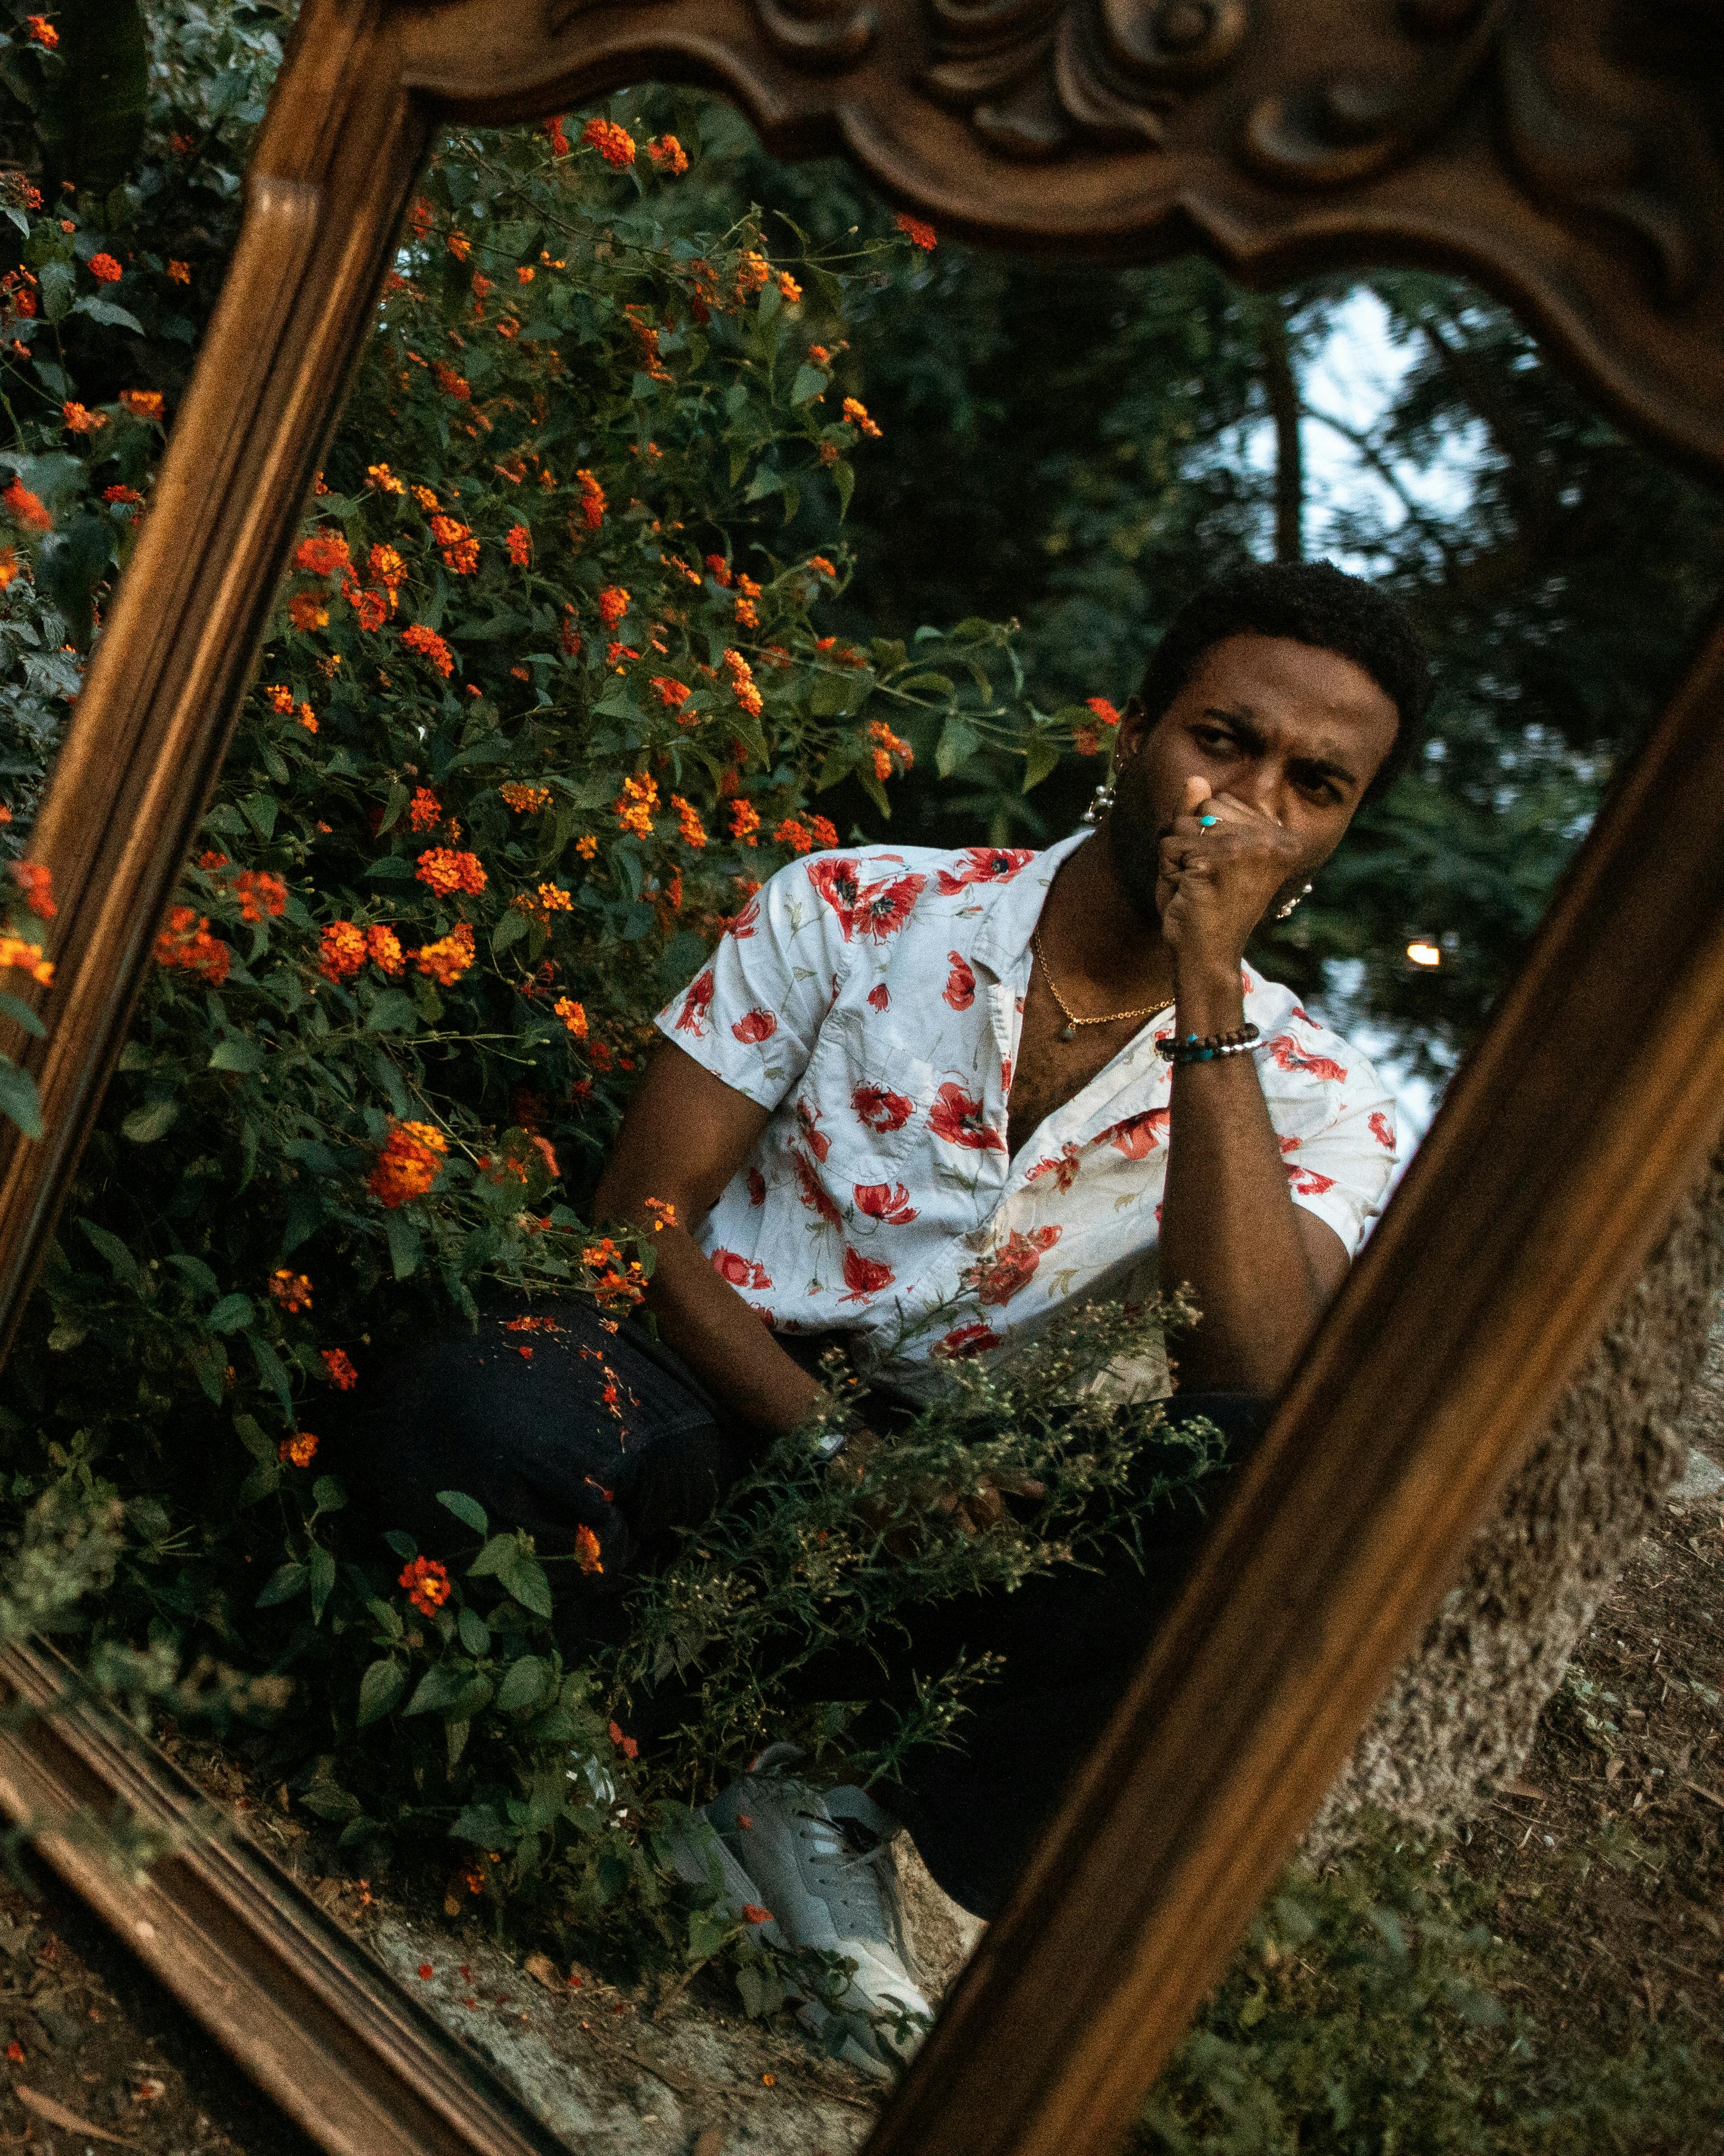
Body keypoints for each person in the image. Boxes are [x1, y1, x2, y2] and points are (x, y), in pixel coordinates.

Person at [345, 562, 1426, 2074]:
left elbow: (1249, 1369)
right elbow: (634, 1228)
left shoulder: (1307, 1091)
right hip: (709, 1403)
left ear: (1344, 829)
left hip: (958, 1535)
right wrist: (835, 1454)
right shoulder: (862, 905)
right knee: (477, 1409)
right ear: (1135, 734)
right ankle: (580, 1775)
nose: (1246, 803)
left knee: (1255, 1471)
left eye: (1314, 785)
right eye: (1222, 741)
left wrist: (1205, 989)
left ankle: (829, 1811)